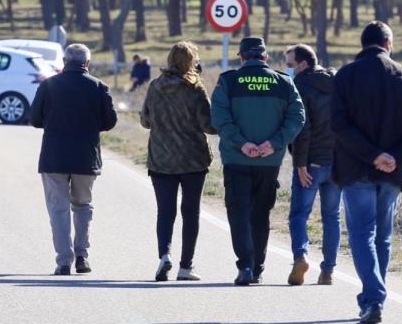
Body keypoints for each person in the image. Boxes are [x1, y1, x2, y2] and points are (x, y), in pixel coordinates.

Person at [332, 22, 402, 324]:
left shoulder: (346, 75)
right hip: (392, 171)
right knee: (383, 237)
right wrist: (394, 157)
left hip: (355, 167)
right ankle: (375, 298)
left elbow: (338, 124)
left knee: (362, 233)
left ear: (362, 45)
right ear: (388, 43)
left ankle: (373, 298)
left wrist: (372, 154)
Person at [211, 37, 305, 286]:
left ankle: (245, 266)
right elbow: (297, 117)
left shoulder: (228, 80)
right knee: (260, 214)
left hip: (236, 159)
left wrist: (241, 143)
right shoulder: (283, 82)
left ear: (241, 57)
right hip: (269, 161)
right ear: (265, 57)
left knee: (239, 213)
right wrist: (273, 143)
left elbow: (219, 118)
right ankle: (258, 268)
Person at [31, 43, 118, 276]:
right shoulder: (99, 87)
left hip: (53, 157)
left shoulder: (48, 86)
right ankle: (82, 255)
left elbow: (34, 119)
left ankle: (63, 261)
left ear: (64, 62)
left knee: (58, 209)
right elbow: (110, 122)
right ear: (87, 64)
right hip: (85, 157)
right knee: (82, 206)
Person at [140, 41, 217, 282]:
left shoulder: (155, 87)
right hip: (193, 160)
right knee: (190, 213)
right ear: (192, 62)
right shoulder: (195, 88)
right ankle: (186, 266)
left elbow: (145, 121)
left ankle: (164, 255)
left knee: (165, 212)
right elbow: (209, 125)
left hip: (161, 159)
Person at [284, 43, 340, 286]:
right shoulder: (339, 83)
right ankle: (328, 271)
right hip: (338, 163)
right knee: (332, 217)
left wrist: (300, 163)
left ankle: (301, 256)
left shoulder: (300, 86)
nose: (288, 70)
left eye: (290, 65)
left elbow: (302, 129)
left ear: (303, 64)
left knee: (298, 215)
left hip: (312, 162)